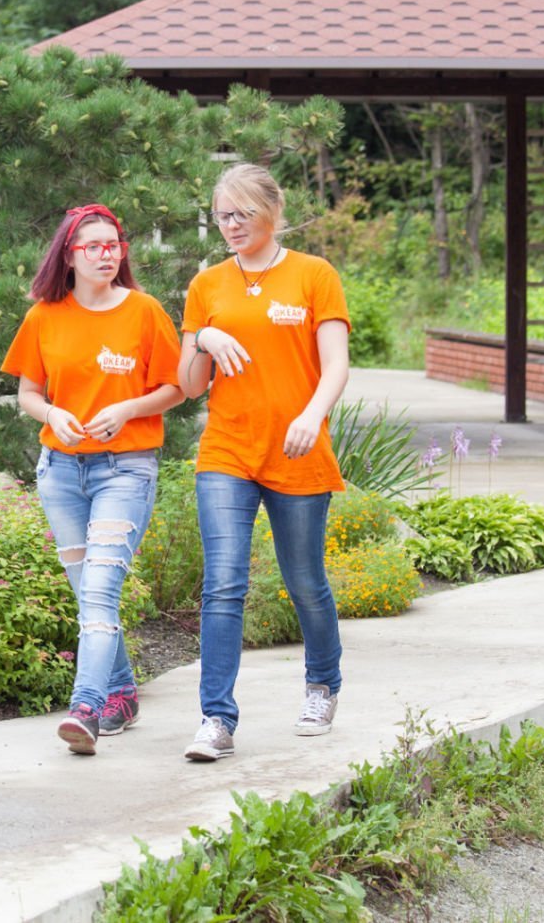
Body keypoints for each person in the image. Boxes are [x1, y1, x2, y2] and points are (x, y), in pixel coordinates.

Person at [177, 162, 351, 762]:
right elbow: (189, 384)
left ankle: (322, 685)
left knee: (304, 581)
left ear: (272, 212)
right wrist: (202, 338)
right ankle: (216, 719)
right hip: (227, 449)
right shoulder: (208, 285)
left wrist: (312, 415)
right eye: (221, 215)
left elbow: (335, 364)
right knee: (223, 583)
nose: (231, 225)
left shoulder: (314, 275)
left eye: (243, 213)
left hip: (296, 448)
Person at [1, 204, 184, 755]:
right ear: (69, 256)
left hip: (125, 471)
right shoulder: (44, 316)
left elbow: (177, 388)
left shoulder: (145, 311)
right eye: (94, 247)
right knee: (88, 593)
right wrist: (51, 414)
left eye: (115, 245)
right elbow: (28, 393)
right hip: (59, 473)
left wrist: (128, 409)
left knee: (101, 589)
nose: (108, 255)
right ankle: (122, 693)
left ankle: (86, 708)